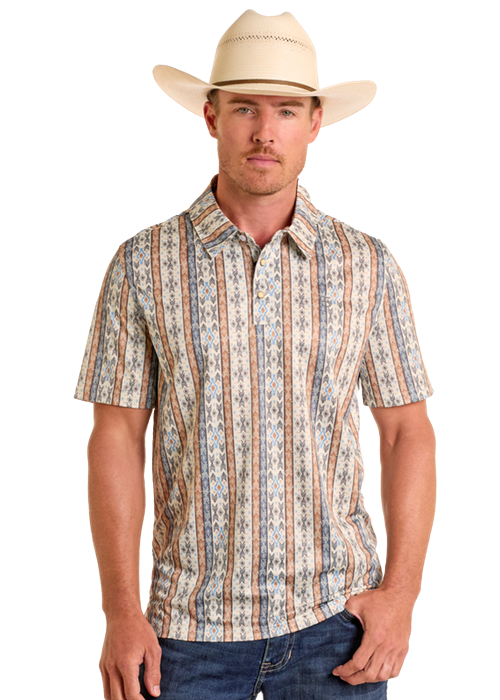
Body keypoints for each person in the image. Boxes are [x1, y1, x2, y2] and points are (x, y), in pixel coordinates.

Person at [74, 9, 436, 700]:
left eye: (286, 110)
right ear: (211, 117)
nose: (265, 132)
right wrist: (120, 611)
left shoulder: (367, 264)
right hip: (185, 633)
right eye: (245, 108)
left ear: (315, 123)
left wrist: (402, 594)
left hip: (337, 626)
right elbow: (114, 435)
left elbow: (406, 430)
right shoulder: (142, 263)